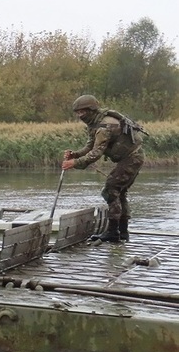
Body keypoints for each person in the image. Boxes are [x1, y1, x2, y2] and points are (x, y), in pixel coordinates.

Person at [62, 94, 146, 242]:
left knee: (110, 190)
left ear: (91, 110)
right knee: (119, 192)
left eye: (82, 112)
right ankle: (123, 232)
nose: (80, 115)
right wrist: (75, 155)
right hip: (132, 158)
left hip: (132, 158)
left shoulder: (104, 126)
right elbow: (90, 146)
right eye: (78, 113)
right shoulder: (95, 124)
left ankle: (113, 232)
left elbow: (96, 154)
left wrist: (74, 163)